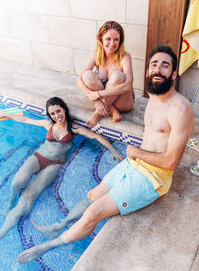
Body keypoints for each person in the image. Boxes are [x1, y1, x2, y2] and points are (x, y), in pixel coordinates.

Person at [17, 45, 194, 264]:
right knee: (92, 195)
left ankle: (47, 247)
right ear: (148, 71)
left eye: (165, 66)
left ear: (174, 74)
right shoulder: (153, 98)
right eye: (154, 65)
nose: (157, 70)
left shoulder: (181, 109)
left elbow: (170, 162)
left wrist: (137, 152)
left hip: (153, 178)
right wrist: (136, 155)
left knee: (93, 213)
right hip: (135, 162)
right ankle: (62, 224)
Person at [0, 97, 123, 241]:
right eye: (52, 113)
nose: (57, 115)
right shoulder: (48, 125)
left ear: (64, 109)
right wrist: (3, 112)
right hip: (38, 157)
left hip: (54, 164)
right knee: (16, 182)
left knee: (28, 195)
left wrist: (113, 150)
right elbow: (26, 120)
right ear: (49, 115)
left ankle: (2, 233)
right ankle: (10, 201)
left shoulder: (74, 128)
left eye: (58, 111)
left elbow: (96, 137)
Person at [78, 20, 134, 127]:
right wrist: (96, 101)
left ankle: (97, 114)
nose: (112, 43)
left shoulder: (125, 56)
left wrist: (98, 95)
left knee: (118, 75)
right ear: (101, 39)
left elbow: (128, 86)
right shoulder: (96, 54)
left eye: (116, 39)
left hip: (122, 101)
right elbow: (80, 79)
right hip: (104, 99)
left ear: (120, 41)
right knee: (87, 75)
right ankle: (111, 109)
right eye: (108, 39)